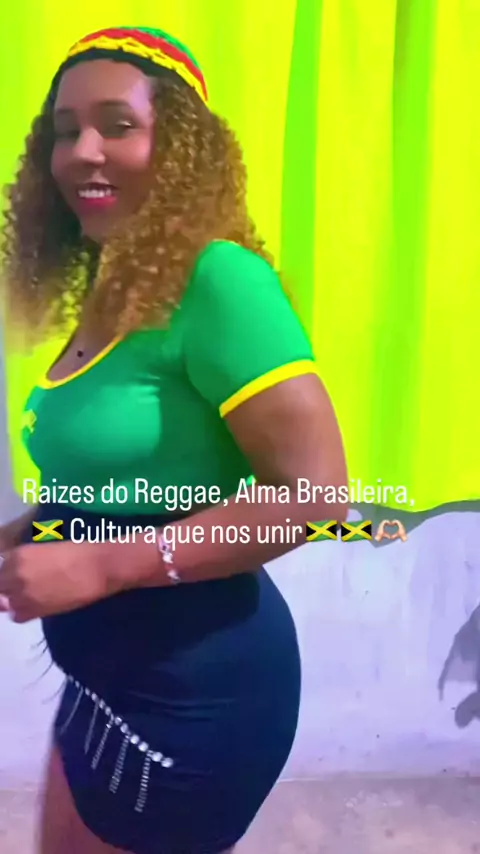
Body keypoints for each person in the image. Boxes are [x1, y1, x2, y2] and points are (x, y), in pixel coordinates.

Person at [0, 26, 348, 854]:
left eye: (118, 125)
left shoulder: (221, 280)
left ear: (180, 146)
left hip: (195, 703)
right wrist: (34, 532)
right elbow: (133, 476)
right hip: (101, 682)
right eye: (65, 130)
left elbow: (316, 497)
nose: (83, 151)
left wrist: (98, 566)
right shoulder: (118, 285)